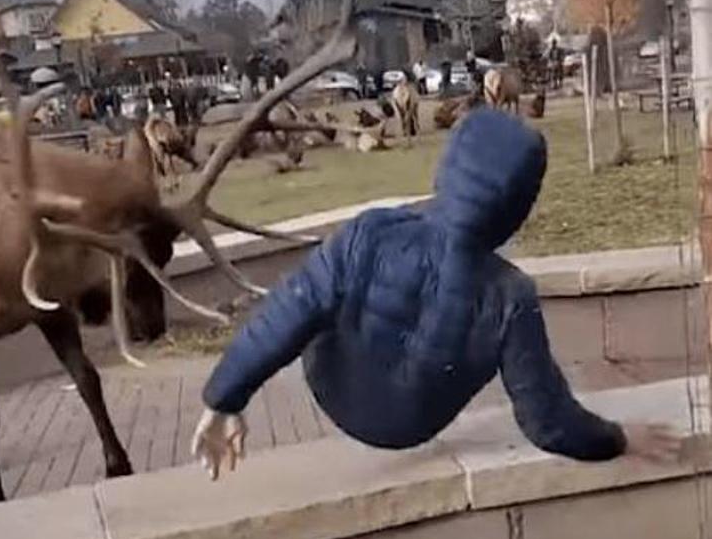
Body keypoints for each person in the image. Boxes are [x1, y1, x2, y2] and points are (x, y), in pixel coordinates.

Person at [191, 109, 682, 480]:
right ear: (518, 207)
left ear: (446, 171)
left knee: (319, 294)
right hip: (411, 422)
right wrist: (617, 439)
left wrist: (224, 401)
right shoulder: (511, 296)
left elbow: (285, 312)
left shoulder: (371, 232)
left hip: (334, 389)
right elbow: (547, 420)